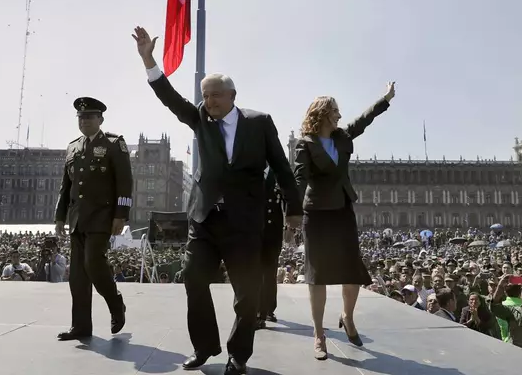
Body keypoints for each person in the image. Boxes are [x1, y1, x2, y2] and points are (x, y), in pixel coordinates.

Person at [132, 26, 302, 375]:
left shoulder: (259, 123)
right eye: (204, 96)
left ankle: (238, 355)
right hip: (205, 216)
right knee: (193, 277)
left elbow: (282, 167)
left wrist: (294, 210)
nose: (207, 102)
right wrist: (150, 61)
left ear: (232, 95)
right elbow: (170, 98)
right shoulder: (199, 119)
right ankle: (204, 346)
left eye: (214, 96)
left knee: (246, 292)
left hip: (244, 220)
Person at [293, 83, 395, 360]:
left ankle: (347, 317)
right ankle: (318, 334)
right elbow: (300, 178)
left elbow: (364, 120)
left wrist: (384, 99)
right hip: (316, 213)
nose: (339, 115)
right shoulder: (305, 143)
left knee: (352, 270)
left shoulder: (341, 137)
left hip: (342, 209)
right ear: (323, 113)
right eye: (335, 111)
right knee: (317, 276)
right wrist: (292, 211)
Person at [54, 96, 133, 341]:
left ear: (100, 119)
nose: (85, 121)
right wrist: (59, 217)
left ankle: (115, 303)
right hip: (77, 218)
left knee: (93, 263)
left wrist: (121, 215)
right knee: (77, 275)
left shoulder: (113, 144)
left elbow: (125, 182)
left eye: (90, 117)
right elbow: (65, 187)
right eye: (81, 117)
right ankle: (80, 326)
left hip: (102, 216)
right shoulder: (73, 147)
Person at [257, 166, 286, 329]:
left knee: (270, 273)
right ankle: (256, 309)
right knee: (254, 272)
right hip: (254, 229)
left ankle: (268, 309)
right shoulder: (251, 168)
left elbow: (288, 197)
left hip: (273, 231)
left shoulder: (278, 172)